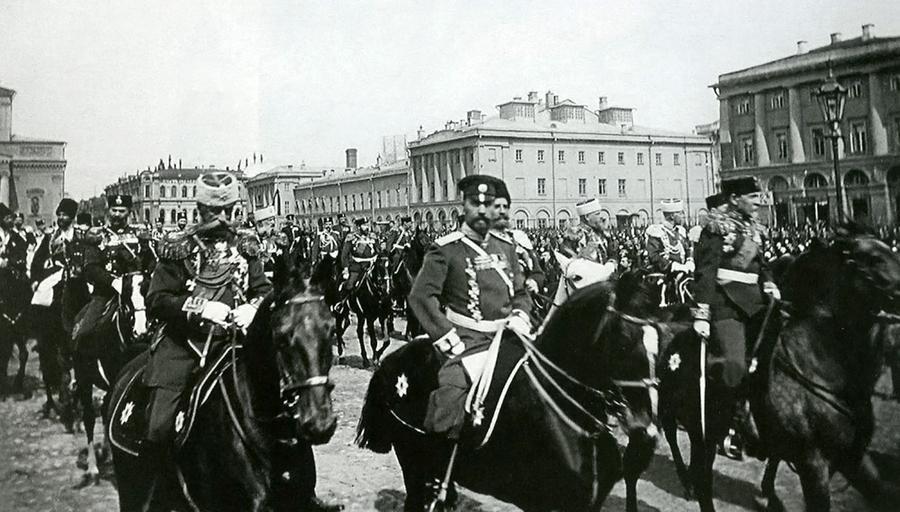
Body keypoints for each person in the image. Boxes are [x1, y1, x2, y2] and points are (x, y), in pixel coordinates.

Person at [409, 174, 532, 446]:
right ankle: (445, 459)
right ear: (463, 205)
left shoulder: (506, 247)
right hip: (467, 340)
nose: (482, 210)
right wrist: (446, 336)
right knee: (450, 399)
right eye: (475, 203)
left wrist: (520, 315)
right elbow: (421, 296)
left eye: (488, 204)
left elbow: (521, 292)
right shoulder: (446, 250)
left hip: (508, 338)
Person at [692, 176, 780, 460]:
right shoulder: (717, 227)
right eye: (753, 197)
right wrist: (702, 314)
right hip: (725, 304)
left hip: (755, 303)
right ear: (734, 199)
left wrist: (768, 281)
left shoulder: (752, 227)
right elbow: (706, 271)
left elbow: (761, 264)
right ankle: (729, 426)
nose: (758, 202)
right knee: (734, 364)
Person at [72, 194, 154, 344]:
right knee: (84, 333)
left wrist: (145, 279)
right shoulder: (97, 236)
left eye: (121, 211)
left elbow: (150, 261)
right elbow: (91, 268)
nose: (117, 214)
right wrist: (112, 282)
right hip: (106, 293)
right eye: (114, 210)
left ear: (129, 212)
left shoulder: (139, 235)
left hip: (138, 291)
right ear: (108, 211)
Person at [489, 181, 545, 295]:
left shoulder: (518, 239)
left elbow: (537, 272)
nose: (502, 211)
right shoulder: (476, 242)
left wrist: (534, 282)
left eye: (505, 207)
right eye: (496, 207)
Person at [0, 202, 32, 397]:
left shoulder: (17, 238)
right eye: (6, 218)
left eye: (11, 217)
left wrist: (9, 262)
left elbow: (21, 257)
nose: (10, 220)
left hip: (12, 286)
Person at [646, 199, 692, 275]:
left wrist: (690, 260)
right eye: (680, 213)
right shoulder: (657, 233)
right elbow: (654, 257)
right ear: (672, 216)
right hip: (666, 275)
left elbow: (688, 249)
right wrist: (673, 266)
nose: (683, 216)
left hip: (684, 273)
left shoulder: (681, 231)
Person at [338, 217, 377, 301]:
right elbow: (344, 254)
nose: (367, 227)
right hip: (357, 266)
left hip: (372, 266)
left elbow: (378, 250)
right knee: (350, 285)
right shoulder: (352, 237)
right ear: (359, 227)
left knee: (383, 283)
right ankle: (343, 303)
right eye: (364, 225)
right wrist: (345, 267)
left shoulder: (372, 237)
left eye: (367, 225)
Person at [573, 198, 618, 267]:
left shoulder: (602, 234)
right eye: (597, 214)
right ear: (587, 217)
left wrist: (611, 263)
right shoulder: (575, 235)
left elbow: (612, 254)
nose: (602, 217)